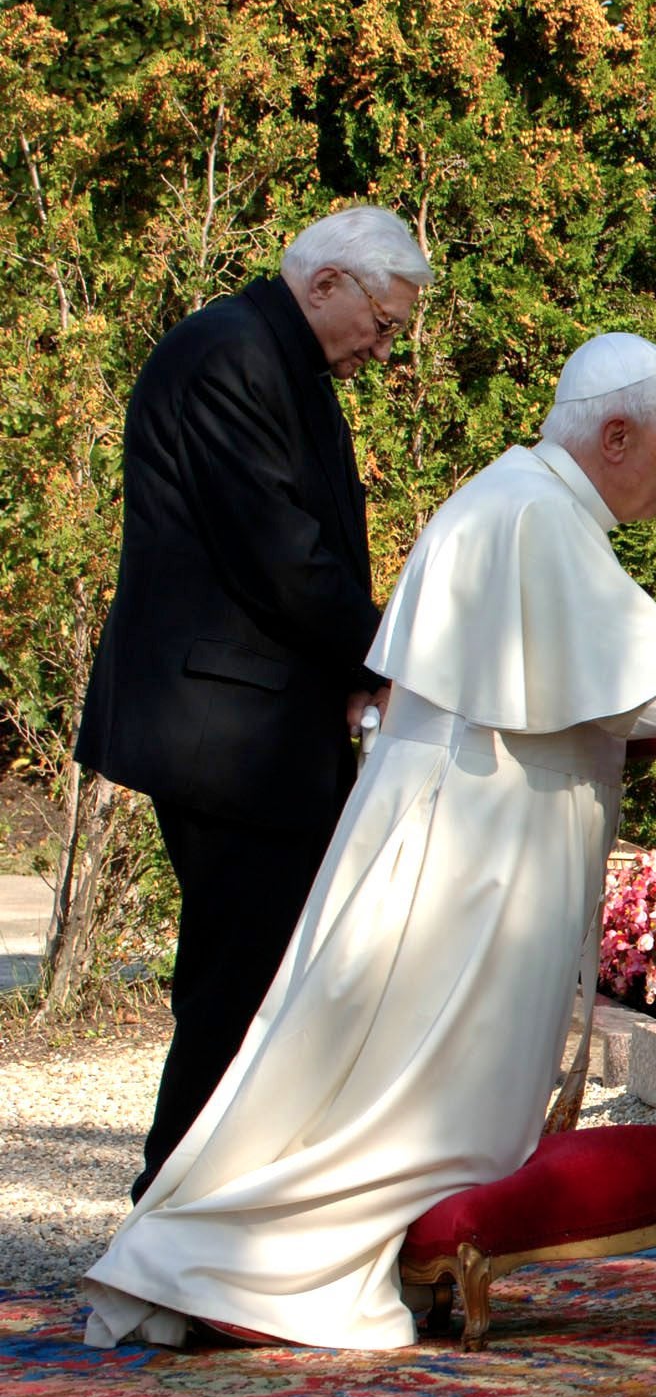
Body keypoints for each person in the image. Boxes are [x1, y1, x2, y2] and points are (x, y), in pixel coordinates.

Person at [80, 334, 656, 1351]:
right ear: (613, 433)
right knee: (400, 1090)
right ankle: (232, 1263)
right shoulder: (533, 516)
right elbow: (638, 680)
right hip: (467, 855)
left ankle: (225, 1259)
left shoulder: (526, 502)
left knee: (374, 1076)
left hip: (463, 830)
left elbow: (599, 679)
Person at [76, 206, 434, 1201]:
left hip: (252, 728)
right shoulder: (228, 355)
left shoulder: (282, 361)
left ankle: (211, 1216)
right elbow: (281, 556)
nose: (384, 343)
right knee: (241, 986)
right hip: (222, 735)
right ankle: (175, 1219)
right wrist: (389, 658)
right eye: (383, 320)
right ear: (327, 283)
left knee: (258, 979)